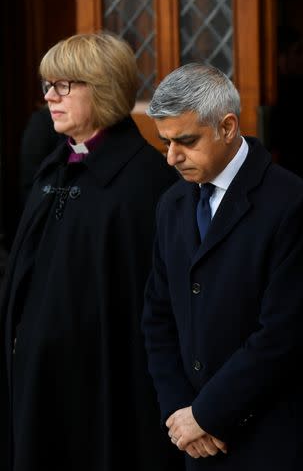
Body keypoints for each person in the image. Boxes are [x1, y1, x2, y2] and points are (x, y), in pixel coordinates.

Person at [141, 63, 303, 470]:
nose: (172, 158)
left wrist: (207, 414)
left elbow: (285, 333)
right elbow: (158, 317)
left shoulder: (292, 202)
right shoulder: (171, 204)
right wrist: (182, 414)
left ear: (228, 127)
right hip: (197, 441)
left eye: (185, 141)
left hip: (275, 440)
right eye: (165, 143)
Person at [0, 32, 180, 470]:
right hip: (41, 378)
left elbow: (147, 304)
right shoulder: (56, 165)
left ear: (102, 89)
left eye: (64, 86)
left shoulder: (143, 183)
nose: (49, 96)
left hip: (101, 385)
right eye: (47, 85)